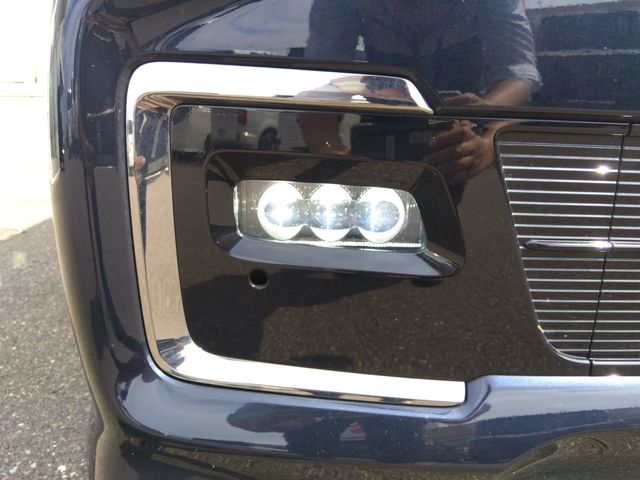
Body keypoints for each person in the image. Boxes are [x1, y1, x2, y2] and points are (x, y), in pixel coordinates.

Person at [302, 0, 541, 185]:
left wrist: (488, 140)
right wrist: (329, 151)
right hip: (385, 116)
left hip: (460, 122)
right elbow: (320, 81)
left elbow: (519, 73)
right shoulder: (336, 3)